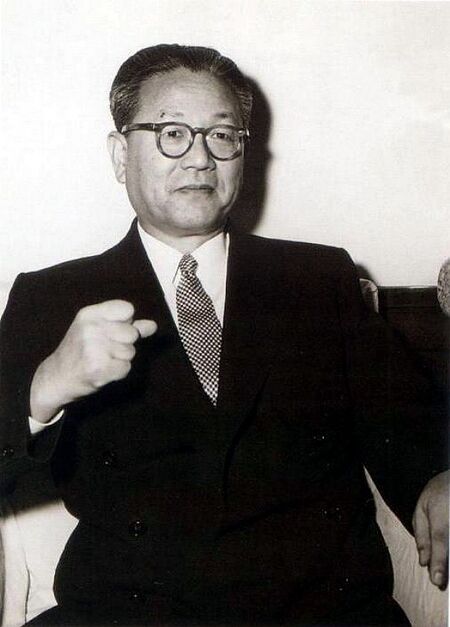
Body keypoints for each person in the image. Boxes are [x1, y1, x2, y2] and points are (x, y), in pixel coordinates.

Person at [0, 44, 448, 626]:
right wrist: (43, 390)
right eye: (172, 134)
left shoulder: (317, 279)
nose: (200, 159)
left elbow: (404, 416)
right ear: (120, 155)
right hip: (128, 612)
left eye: (221, 135)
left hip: (316, 609)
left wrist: (438, 474)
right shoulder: (52, 295)